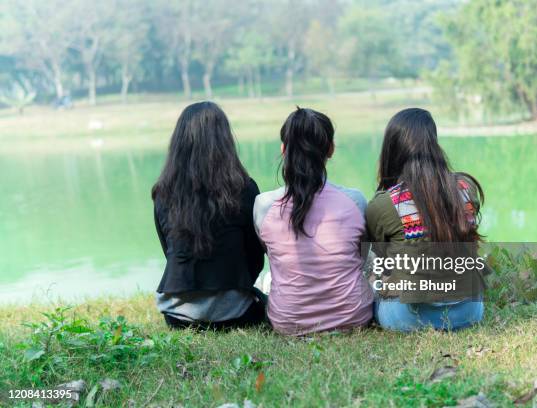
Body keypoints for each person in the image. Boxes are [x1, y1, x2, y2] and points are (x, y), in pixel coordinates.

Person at [253, 107, 373, 336]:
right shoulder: (355, 201)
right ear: (331, 149)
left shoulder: (263, 205)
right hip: (353, 317)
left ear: (283, 149)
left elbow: (271, 255)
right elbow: (361, 257)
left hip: (288, 322)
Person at [366, 108, 487, 332]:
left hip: (407, 318)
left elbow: (382, 256)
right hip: (469, 312)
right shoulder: (464, 188)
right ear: (434, 143)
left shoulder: (384, 204)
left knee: (373, 276)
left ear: (392, 149)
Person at [152, 101, 266, 330]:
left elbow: (169, 251)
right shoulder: (245, 189)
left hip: (177, 317)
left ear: (178, 143)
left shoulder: (163, 192)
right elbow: (255, 258)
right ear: (225, 141)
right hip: (235, 313)